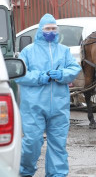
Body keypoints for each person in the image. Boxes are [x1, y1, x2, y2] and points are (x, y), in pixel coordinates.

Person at [16, 13, 81, 177]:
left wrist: (62, 74)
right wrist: (39, 77)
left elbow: (74, 69)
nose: (51, 31)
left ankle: (57, 174)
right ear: (40, 30)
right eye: (47, 29)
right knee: (32, 142)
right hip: (33, 106)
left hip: (59, 106)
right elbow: (19, 75)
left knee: (58, 143)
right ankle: (25, 171)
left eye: (53, 28)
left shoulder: (64, 51)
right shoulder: (28, 52)